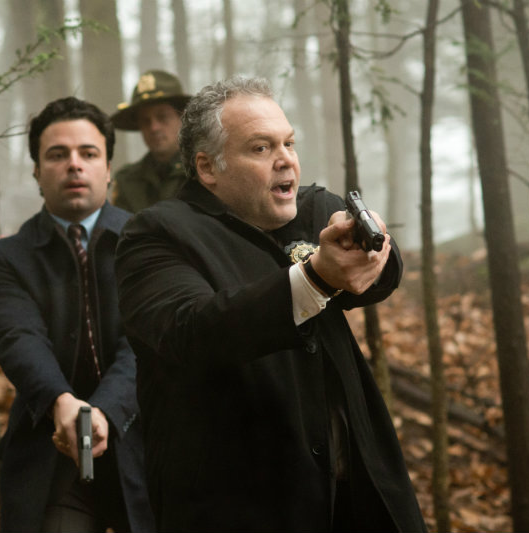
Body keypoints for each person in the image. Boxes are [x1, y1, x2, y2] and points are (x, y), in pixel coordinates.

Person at [115, 76, 427, 532]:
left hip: (357, 496)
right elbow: (192, 332)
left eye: (289, 143)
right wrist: (314, 279)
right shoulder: (155, 234)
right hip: (237, 508)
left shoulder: (314, 208)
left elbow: (383, 276)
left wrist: (375, 254)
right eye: (261, 148)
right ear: (208, 167)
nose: (286, 160)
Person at [0, 96, 154, 533]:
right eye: (57, 155)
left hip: (147, 443)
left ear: (108, 168)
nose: (74, 165)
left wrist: (105, 410)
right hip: (51, 453)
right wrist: (61, 403)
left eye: (88, 153)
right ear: (37, 172)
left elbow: (145, 341)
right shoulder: (8, 257)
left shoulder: (149, 242)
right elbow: (18, 338)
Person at [109, 70, 190, 213]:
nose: (154, 128)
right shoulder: (127, 181)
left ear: (182, 118)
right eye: (145, 121)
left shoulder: (202, 173)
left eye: (162, 117)